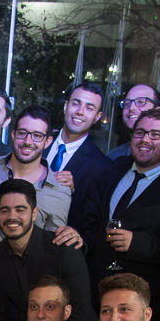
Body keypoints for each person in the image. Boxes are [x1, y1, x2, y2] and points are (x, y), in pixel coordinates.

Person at [60, 108, 160, 311]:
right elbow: (92, 222)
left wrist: (136, 243)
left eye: (155, 135)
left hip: (139, 298)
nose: (145, 139)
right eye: (140, 133)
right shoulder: (114, 169)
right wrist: (82, 240)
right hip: (93, 289)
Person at [0, 179, 92, 321]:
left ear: (34, 213)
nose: (12, 216)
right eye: (5, 210)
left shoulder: (63, 248)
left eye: (20, 210)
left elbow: (80, 309)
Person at [0, 105, 72, 257]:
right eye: (22, 133)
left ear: (48, 141)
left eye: (37, 135)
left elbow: (53, 250)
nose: (27, 141)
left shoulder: (59, 190)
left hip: (26, 279)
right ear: (13, 134)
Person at [43, 83, 113, 228]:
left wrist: (71, 192)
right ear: (65, 106)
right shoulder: (39, 142)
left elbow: (92, 223)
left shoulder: (102, 167)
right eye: (76, 104)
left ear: (97, 117)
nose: (80, 112)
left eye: (89, 108)